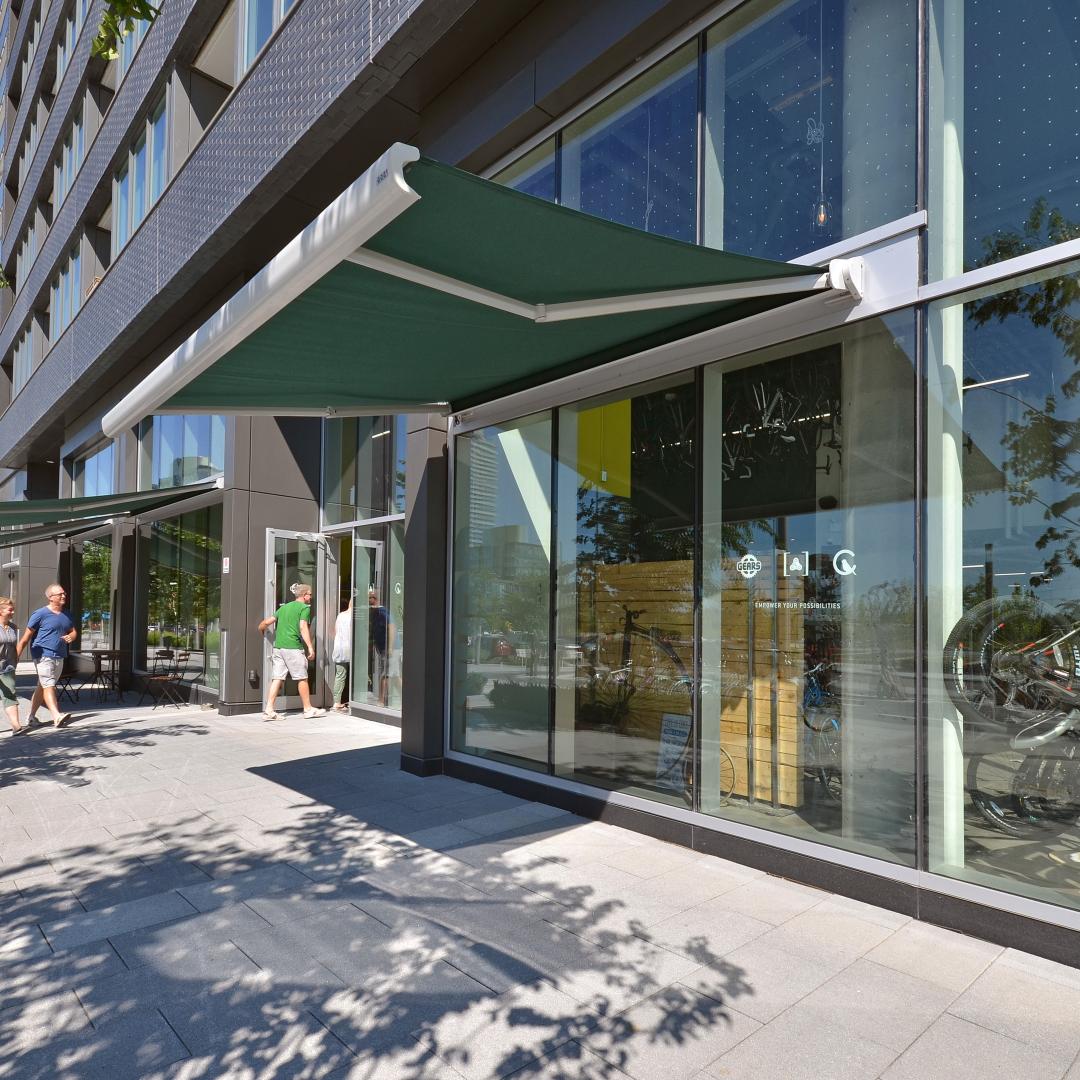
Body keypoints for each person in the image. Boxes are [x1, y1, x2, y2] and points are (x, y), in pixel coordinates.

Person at [257, 581, 325, 720]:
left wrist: (262, 631)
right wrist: (310, 647)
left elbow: (265, 623)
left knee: (277, 678)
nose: (311, 597)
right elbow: (303, 627)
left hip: (279, 648)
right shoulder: (304, 608)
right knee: (302, 677)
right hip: (293, 647)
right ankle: (308, 709)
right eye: (310, 595)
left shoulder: (283, 608)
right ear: (305, 595)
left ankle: (269, 710)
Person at [17, 584, 75, 729]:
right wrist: (15, 656)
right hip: (42, 655)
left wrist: (71, 637)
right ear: (50, 597)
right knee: (49, 685)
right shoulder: (40, 614)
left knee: (43, 686)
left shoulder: (67, 614)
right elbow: (25, 638)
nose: (63, 596)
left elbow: (73, 631)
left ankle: (31, 717)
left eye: (64, 593)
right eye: (60, 594)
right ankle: (56, 716)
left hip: (60, 655)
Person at [0, 597, 26, 736]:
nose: (12, 612)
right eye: (10, 609)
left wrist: (15, 659)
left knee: (10, 694)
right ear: (0, 611)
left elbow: (14, 646)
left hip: (7, 667)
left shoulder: (13, 627)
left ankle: (16, 726)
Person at [368, 588, 395, 707]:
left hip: (388, 648)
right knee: (394, 674)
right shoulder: (373, 612)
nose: (367, 600)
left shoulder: (382, 612)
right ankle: (406, 697)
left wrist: (390, 647)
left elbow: (392, 628)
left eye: (369, 597)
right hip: (382, 648)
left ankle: (381, 700)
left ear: (375, 599)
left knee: (386, 673)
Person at [331, 597, 352, 712]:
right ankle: (356, 701)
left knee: (340, 675)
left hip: (339, 648)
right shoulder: (355, 616)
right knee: (356, 676)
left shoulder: (340, 615)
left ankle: (336, 702)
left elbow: (335, 631)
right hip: (351, 649)